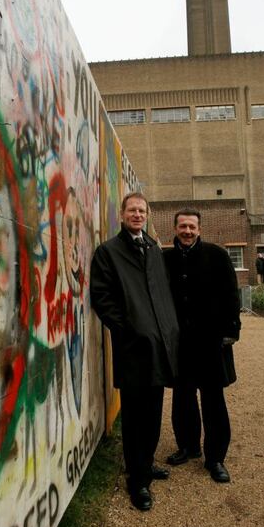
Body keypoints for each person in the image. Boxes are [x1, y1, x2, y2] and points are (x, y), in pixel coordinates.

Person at [90, 192, 179, 510]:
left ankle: (146, 463)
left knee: (154, 411)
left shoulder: (153, 249)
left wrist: (169, 329)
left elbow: (163, 293)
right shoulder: (108, 252)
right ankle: (137, 480)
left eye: (142, 210)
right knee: (134, 414)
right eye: (132, 210)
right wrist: (128, 329)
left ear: (148, 214)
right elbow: (101, 298)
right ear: (122, 214)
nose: (137, 215)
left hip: (159, 346)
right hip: (132, 347)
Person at [164, 208, 241, 483]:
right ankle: (188, 446)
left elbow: (232, 293)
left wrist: (232, 330)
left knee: (213, 399)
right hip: (180, 343)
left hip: (211, 341)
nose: (187, 231)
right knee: (183, 397)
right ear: (175, 228)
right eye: (183, 226)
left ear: (199, 229)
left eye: (192, 227)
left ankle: (216, 457)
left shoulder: (217, 255)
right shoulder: (165, 258)